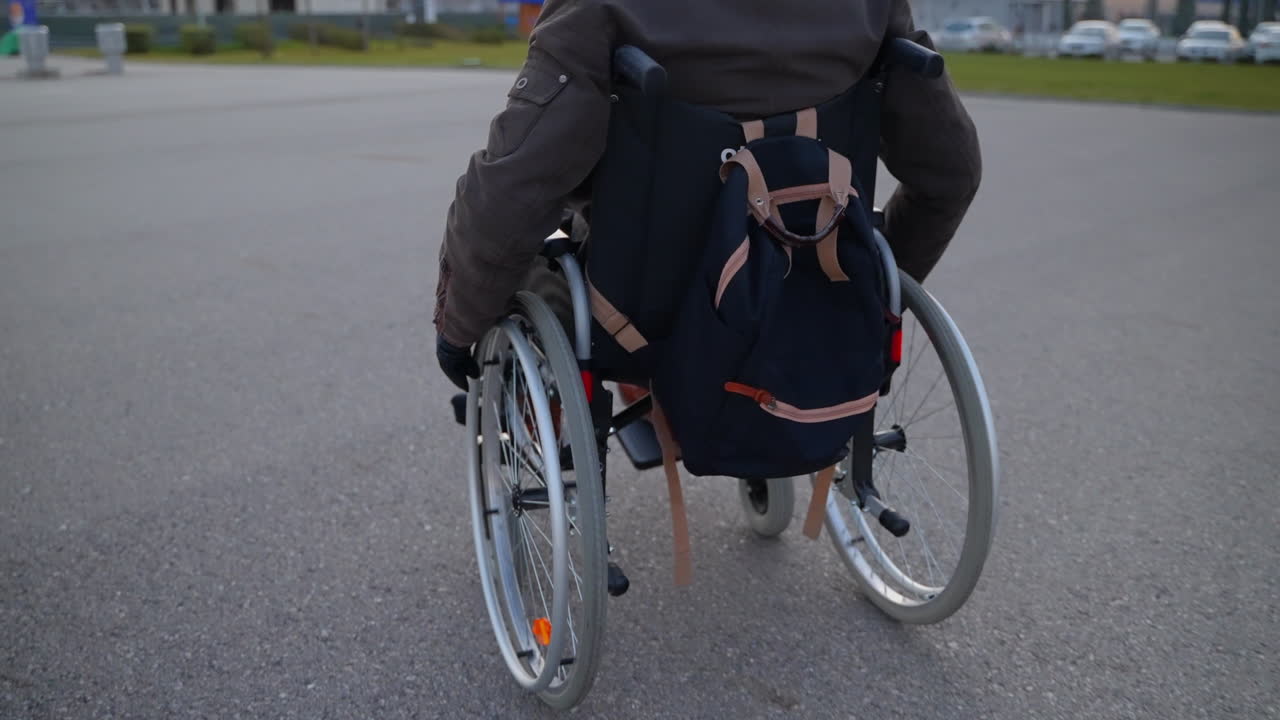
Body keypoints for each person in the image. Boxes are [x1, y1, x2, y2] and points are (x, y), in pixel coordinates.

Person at [434, 0, 982, 389]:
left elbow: (516, 185)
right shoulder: (869, 8)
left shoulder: (598, 9)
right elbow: (951, 172)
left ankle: (553, 424)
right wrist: (870, 297)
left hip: (640, 319)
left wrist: (459, 328)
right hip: (813, 285)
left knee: (535, 260)